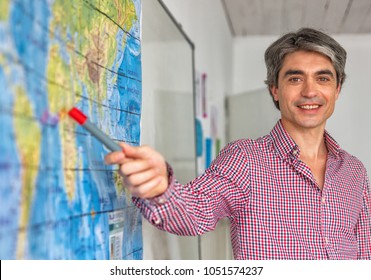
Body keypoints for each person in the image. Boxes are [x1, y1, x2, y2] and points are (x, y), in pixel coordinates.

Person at [105, 28, 371, 259]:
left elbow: (365, 252)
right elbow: (195, 211)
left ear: (337, 89)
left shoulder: (354, 171)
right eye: (295, 78)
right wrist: (161, 187)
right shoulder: (244, 158)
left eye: (323, 78)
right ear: (275, 90)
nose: (310, 91)